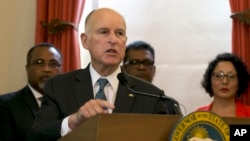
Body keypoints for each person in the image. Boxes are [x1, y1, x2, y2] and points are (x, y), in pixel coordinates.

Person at [27, 8, 180, 141]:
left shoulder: (151, 95)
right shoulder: (59, 86)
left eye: (119, 33)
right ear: (85, 41)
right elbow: (36, 136)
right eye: (104, 32)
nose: (113, 40)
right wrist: (72, 121)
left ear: (125, 42)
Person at [0, 42, 62, 141]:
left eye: (53, 64)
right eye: (39, 62)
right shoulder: (5, 104)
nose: (46, 69)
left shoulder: (71, 103)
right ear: (27, 68)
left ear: (60, 70)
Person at [196, 52, 250, 117]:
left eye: (231, 76)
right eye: (218, 76)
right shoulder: (197, 117)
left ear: (239, 82)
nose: (225, 81)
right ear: (210, 81)